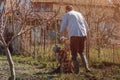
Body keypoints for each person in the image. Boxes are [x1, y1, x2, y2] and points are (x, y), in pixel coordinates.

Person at [60, 5, 90, 74]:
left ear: (66, 10)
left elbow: (63, 25)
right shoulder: (79, 14)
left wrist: (60, 33)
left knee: (74, 53)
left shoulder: (67, 14)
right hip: (83, 34)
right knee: (81, 52)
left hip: (74, 35)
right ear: (72, 9)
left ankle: (76, 71)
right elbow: (86, 25)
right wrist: (86, 33)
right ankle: (87, 68)